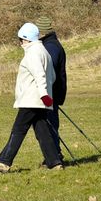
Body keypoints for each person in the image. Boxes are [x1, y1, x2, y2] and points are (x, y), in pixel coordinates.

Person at [0, 23, 64, 172]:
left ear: (26, 39)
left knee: (18, 130)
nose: (20, 42)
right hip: (39, 100)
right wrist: (46, 95)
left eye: (21, 39)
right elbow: (52, 76)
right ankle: (55, 162)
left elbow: (40, 75)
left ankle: (4, 162)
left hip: (32, 99)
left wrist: (43, 95)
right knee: (43, 132)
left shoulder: (33, 53)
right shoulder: (43, 51)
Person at [38, 16, 67, 161]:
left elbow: (48, 69)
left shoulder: (51, 46)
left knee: (50, 125)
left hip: (51, 92)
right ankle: (54, 155)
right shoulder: (50, 44)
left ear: (42, 32)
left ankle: (55, 155)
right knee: (48, 124)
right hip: (52, 91)